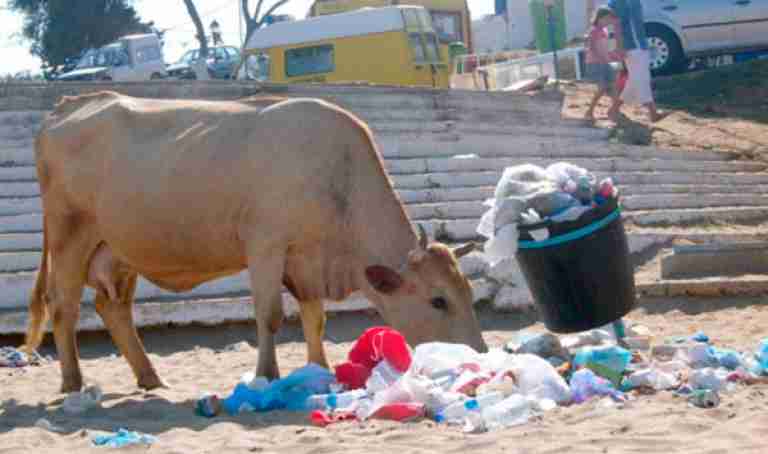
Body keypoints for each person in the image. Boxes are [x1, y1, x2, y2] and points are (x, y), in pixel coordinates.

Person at [606, 0, 668, 123]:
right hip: (633, 47)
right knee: (642, 79)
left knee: (635, 81)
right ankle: (653, 113)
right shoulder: (620, 3)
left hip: (639, 45)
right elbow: (617, 25)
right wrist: (619, 48)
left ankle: (613, 109)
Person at [583, 6, 622, 122]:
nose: (609, 22)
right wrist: (602, 58)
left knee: (614, 86)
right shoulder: (594, 30)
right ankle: (589, 111)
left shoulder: (604, 31)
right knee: (602, 88)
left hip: (605, 62)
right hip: (596, 63)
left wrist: (612, 57)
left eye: (610, 20)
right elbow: (592, 47)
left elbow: (606, 48)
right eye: (607, 19)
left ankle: (614, 110)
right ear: (600, 18)